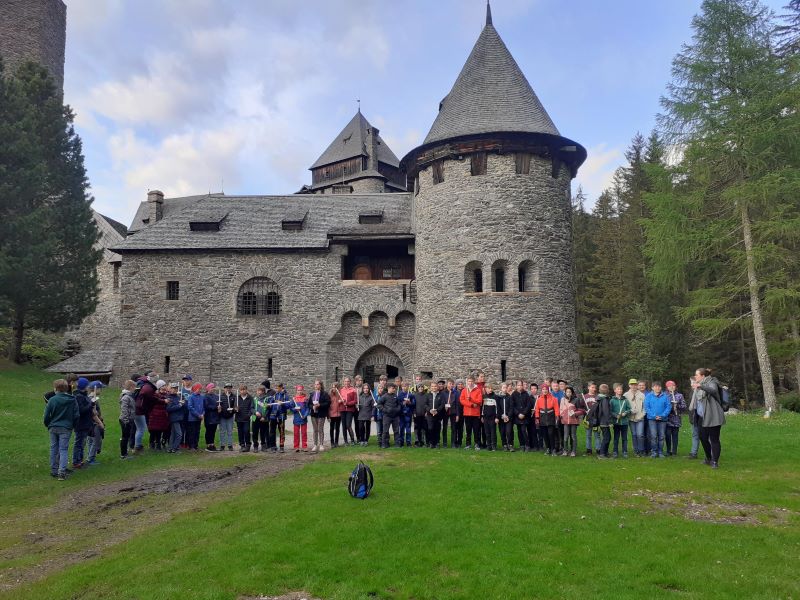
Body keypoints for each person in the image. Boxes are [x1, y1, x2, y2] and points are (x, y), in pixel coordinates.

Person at [689, 368, 726, 468]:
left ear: (702, 376)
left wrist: (700, 386)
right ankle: (709, 458)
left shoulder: (712, 381)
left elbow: (713, 390)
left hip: (713, 415)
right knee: (703, 438)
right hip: (702, 416)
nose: (695, 377)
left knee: (714, 439)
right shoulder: (698, 386)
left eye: (696, 375)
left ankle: (715, 461)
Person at [44, 379, 79, 479]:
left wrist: (48, 424)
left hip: (53, 427)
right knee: (63, 449)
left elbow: (46, 415)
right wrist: (73, 425)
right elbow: (76, 415)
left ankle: (54, 470)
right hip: (66, 427)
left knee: (53, 448)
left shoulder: (52, 400)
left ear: (55, 388)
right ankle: (62, 472)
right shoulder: (73, 400)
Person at [71, 377, 94, 469]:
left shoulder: (84, 396)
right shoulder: (79, 396)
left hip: (86, 423)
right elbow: (81, 410)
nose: (89, 387)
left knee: (82, 443)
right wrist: (91, 404)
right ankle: (76, 461)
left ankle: (80, 460)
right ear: (84, 386)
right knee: (79, 443)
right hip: (80, 423)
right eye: (88, 385)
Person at [644, 381, 671, 458]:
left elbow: (668, 407)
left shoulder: (665, 396)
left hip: (663, 419)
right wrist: (654, 416)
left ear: (661, 387)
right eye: (655, 386)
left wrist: (662, 415)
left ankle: (660, 452)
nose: (657, 388)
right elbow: (647, 407)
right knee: (653, 436)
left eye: (659, 386)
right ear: (652, 388)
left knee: (661, 436)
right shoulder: (649, 396)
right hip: (652, 419)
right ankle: (654, 452)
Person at [134, 371, 159, 453]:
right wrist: (161, 400)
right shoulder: (147, 387)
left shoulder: (145, 385)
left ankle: (137, 445)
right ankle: (137, 446)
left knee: (140, 428)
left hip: (138, 409)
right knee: (141, 429)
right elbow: (151, 398)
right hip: (139, 410)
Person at [459, 376, 483, 451]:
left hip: (475, 413)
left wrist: (471, 399)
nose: (470, 383)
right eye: (469, 381)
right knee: (468, 430)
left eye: (472, 381)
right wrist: (471, 404)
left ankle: (477, 444)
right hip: (467, 413)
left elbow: (479, 401)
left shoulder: (478, 390)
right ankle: (468, 444)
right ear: (467, 382)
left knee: (476, 430)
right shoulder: (464, 390)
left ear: (474, 382)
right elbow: (462, 400)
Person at [535, 384, 559, 456]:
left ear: (548, 390)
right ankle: (548, 448)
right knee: (545, 435)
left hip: (551, 418)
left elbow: (556, 409)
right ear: (541, 390)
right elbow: (537, 410)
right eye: (543, 389)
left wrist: (557, 417)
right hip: (542, 419)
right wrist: (537, 418)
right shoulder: (538, 399)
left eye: (546, 389)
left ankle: (553, 449)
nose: (544, 390)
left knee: (551, 434)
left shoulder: (554, 399)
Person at [86, 381, 107, 465]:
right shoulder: (92, 399)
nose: (101, 390)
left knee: (91, 440)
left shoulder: (89, 398)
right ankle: (91, 459)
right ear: (96, 389)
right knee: (95, 441)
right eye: (100, 389)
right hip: (94, 423)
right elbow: (93, 413)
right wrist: (99, 422)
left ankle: (90, 457)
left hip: (91, 423)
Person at [625, 378, 646, 457]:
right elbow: (624, 407)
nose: (633, 386)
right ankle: (636, 451)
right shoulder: (626, 395)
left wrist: (641, 415)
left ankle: (641, 450)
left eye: (635, 384)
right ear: (629, 385)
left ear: (637, 385)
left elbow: (645, 407)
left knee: (640, 435)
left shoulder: (641, 395)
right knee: (634, 435)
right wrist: (630, 411)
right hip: (631, 418)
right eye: (632, 384)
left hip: (640, 418)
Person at [665, 380, 686, 456]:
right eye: (669, 386)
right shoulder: (665, 395)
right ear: (667, 387)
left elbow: (684, 407)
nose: (671, 387)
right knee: (667, 435)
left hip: (676, 419)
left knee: (675, 435)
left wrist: (677, 405)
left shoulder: (679, 395)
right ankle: (668, 450)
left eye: (673, 385)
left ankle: (674, 451)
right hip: (667, 419)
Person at [377, 382, 401, 448]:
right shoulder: (384, 396)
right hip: (387, 416)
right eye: (393, 388)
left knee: (396, 431)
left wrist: (398, 409)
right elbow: (379, 405)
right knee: (385, 431)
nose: (394, 390)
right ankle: (385, 444)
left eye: (394, 388)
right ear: (389, 388)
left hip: (395, 416)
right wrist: (385, 410)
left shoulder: (396, 396)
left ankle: (397, 443)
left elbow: (399, 404)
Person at [610, 383, 631, 458]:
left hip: (624, 422)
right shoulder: (612, 400)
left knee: (624, 438)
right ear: (615, 390)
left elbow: (629, 409)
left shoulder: (625, 400)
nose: (620, 390)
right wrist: (616, 415)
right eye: (618, 389)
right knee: (616, 438)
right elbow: (610, 411)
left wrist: (625, 413)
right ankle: (615, 452)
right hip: (616, 423)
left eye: (621, 389)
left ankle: (625, 451)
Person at [308, 379, 330, 452]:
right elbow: (309, 404)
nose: (316, 385)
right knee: (315, 430)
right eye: (315, 384)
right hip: (313, 414)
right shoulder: (312, 394)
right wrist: (312, 407)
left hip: (321, 414)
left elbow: (328, 403)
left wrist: (320, 405)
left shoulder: (325, 394)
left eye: (318, 384)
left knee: (320, 429)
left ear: (320, 385)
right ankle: (315, 444)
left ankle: (321, 444)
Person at [559, 386, 582, 457]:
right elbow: (561, 409)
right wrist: (562, 416)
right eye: (567, 392)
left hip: (574, 421)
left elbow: (581, 410)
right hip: (565, 422)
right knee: (565, 437)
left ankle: (573, 451)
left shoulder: (576, 400)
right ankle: (565, 451)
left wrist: (575, 413)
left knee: (573, 437)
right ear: (565, 393)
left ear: (572, 393)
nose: (568, 393)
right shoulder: (562, 400)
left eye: (570, 392)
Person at [148, 381, 171, 450]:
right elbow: (157, 400)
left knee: (159, 431)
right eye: (163, 385)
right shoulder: (155, 394)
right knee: (153, 431)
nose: (165, 387)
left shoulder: (166, 394)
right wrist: (165, 400)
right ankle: (152, 444)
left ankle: (158, 444)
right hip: (155, 415)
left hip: (162, 416)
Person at [165, 383, 187, 453]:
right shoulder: (169, 397)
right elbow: (169, 408)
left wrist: (184, 402)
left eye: (176, 388)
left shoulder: (179, 396)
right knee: (179, 434)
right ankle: (175, 448)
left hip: (180, 417)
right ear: (170, 389)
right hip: (174, 418)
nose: (175, 390)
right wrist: (179, 405)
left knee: (173, 434)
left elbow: (184, 407)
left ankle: (170, 448)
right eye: (173, 388)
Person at [288, 385, 310, 452]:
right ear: (296, 391)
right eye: (298, 390)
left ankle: (304, 446)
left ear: (302, 391)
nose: (299, 391)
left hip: (303, 418)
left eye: (300, 390)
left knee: (304, 433)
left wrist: (305, 415)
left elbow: (308, 409)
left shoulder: (305, 399)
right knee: (296, 433)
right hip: (296, 418)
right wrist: (295, 409)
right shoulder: (294, 399)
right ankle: (296, 446)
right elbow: (291, 408)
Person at [118, 380, 137, 460]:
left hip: (129, 419)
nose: (135, 389)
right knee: (125, 437)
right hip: (125, 420)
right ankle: (123, 454)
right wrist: (126, 420)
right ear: (131, 387)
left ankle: (125, 453)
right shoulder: (126, 397)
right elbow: (124, 409)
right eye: (134, 387)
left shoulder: (129, 396)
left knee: (126, 436)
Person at [268, 383, 289, 453]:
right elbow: (270, 403)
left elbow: (288, 405)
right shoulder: (274, 395)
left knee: (282, 432)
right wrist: (269, 405)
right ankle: (273, 446)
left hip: (281, 416)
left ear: (281, 388)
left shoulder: (285, 395)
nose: (276, 389)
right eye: (275, 388)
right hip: (273, 416)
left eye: (277, 388)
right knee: (272, 432)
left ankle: (281, 446)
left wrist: (283, 403)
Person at [511, 380, 531, 451]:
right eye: (518, 385)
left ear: (523, 386)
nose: (520, 387)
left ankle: (527, 445)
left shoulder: (526, 394)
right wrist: (518, 413)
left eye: (521, 385)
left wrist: (523, 413)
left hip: (524, 416)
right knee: (519, 431)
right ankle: (522, 445)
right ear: (516, 386)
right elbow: (512, 406)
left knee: (523, 430)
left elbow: (529, 405)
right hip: (517, 416)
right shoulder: (513, 394)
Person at [427, 380, 447, 449]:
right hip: (430, 415)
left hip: (438, 415)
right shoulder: (428, 395)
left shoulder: (441, 395)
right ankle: (431, 442)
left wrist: (437, 411)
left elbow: (442, 404)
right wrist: (430, 410)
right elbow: (425, 405)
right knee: (430, 428)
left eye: (435, 386)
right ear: (430, 387)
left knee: (437, 429)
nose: (434, 387)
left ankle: (437, 442)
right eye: (432, 386)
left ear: (437, 387)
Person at [253, 384, 272, 452]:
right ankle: (255, 446)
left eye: (260, 391)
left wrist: (264, 417)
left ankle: (263, 445)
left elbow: (268, 409)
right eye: (258, 391)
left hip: (264, 419)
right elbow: (251, 408)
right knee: (255, 432)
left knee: (263, 433)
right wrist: (255, 412)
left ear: (263, 391)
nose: (259, 392)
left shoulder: (267, 399)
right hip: (255, 418)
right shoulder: (254, 399)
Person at [234, 385, 254, 452]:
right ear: (240, 391)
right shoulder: (237, 398)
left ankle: (248, 445)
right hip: (239, 418)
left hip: (246, 418)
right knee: (240, 432)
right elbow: (234, 407)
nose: (243, 391)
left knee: (246, 431)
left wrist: (248, 415)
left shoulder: (250, 398)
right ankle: (242, 445)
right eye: (241, 390)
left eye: (244, 390)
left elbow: (252, 408)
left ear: (246, 390)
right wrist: (235, 409)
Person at [582, 382, 600, 455]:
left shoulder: (597, 397)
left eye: (594, 388)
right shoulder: (584, 397)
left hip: (596, 419)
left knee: (597, 435)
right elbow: (581, 407)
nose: (594, 389)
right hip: (587, 419)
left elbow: (600, 408)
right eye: (592, 387)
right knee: (588, 435)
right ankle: (589, 450)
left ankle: (598, 449)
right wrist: (585, 411)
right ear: (588, 387)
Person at [186, 383, 205, 451]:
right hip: (192, 418)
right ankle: (191, 446)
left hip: (199, 418)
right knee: (192, 432)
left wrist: (203, 414)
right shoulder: (191, 397)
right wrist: (198, 415)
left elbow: (203, 407)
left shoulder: (202, 397)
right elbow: (190, 407)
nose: (200, 390)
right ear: (195, 389)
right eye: (199, 388)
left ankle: (196, 445)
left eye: (200, 389)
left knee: (197, 432)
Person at [595, 384, 613, 459]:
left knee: (607, 437)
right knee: (607, 437)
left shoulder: (599, 398)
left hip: (601, 420)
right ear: (606, 390)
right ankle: (602, 454)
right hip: (604, 421)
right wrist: (609, 422)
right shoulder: (604, 399)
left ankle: (605, 453)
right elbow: (606, 411)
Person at [340, 377, 358, 446]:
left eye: (348, 381)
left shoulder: (353, 390)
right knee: (344, 426)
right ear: (343, 382)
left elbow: (355, 401)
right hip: (342, 409)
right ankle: (345, 441)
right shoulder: (341, 390)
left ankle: (352, 440)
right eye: (345, 381)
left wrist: (347, 403)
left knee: (348, 425)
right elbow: (339, 400)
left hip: (350, 410)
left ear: (350, 382)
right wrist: (340, 401)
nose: (346, 383)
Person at [480, 382, 499, 451]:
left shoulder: (495, 397)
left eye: (491, 388)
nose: (490, 389)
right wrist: (482, 416)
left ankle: (494, 445)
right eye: (489, 388)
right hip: (485, 417)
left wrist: (497, 417)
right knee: (487, 432)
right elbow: (482, 408)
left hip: (493, 418)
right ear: (485, 389)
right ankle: (489, 446)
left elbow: (497, 408)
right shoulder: (484, 397)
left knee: (493, 432)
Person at [202, 383, 220, 452]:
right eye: (211, 387)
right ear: (208, 388)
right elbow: (207, 406)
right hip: (209, 416)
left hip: (215, 416)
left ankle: (212, 444)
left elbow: (218, 403)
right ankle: (208, 445)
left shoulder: (216, 396)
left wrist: (219, 408)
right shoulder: (205, 396)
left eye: (213, 387)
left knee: (213, 431)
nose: (213, 389)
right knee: (209, 431)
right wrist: (215, 407)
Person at [496, 382, 513, 451]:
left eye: (506, 387)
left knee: (509, 431)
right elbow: (498, 408)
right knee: (502, 432)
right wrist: (501, 416)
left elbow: (511, 407)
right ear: (501, 388)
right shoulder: (498, 398)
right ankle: (504, 444)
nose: (505, 389)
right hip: (501, 417)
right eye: (503, 388)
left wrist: (508, 416)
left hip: (508, 417)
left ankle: (510, 444)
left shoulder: (509, 397)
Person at [219, 383, 237, 451]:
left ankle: (230, 445)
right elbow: (219, 406)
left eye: (229, 388)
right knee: (222, 432)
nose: (228, 389)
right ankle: (222, 445)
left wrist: (233, 411)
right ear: (224, 388)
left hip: (230, 417)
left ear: (231, 389)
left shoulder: (234, 396)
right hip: (222, 417)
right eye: (227, 388)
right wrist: (219, 410)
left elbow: (235, 406)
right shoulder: (221, 396)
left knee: (230, 431)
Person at [413, 383, 430, 447]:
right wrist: (414, 412)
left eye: (422, 387)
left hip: (424, 414)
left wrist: (427, 412)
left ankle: (424, 441)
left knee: (424, 428)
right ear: (417, 388)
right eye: (419, 387)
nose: (421, 388)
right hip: (417, 414)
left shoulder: (426, 395)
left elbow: (428, 404)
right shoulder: (415, 395)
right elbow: (413, 405)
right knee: (417, 428)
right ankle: (418, 442)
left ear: (423, 388)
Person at [398, 381, 414, 447]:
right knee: (401, 428)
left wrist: (409, 402)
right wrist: (402, 403)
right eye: (403, 386)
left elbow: (413, 404)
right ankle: (401, 441)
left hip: (408, 414)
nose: (404, 388)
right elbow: (397, 403)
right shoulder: (399, 394)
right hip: (401, 414)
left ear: (408, 387)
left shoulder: (410, 394)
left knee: (408, 428)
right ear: (401, 387)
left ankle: (408, 442)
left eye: (405, 386)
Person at [527, 383, 541, 451]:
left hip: (539, 417)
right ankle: (533, 446)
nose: (533, 390)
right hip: (531, 417)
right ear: (530, 390)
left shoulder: (540, 397)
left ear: (537, 389)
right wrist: (531, 410)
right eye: (532, 389)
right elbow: (527, 407)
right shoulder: (529, 398)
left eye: (535, 388)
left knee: (540, 432)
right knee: (532, 432)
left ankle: (540, 446)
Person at [328, 382, 342, 448]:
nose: (334, 389)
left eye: (335, 387)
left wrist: (342, 401)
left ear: (338, 388)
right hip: (331, 414)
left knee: (337, 428)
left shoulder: (340, 395)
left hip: (339, 414)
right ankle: (332, 442)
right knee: (331, 428)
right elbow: (328, 406)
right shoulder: (330, 395)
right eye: (333, 387)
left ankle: (336, 442)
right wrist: (328, 416)